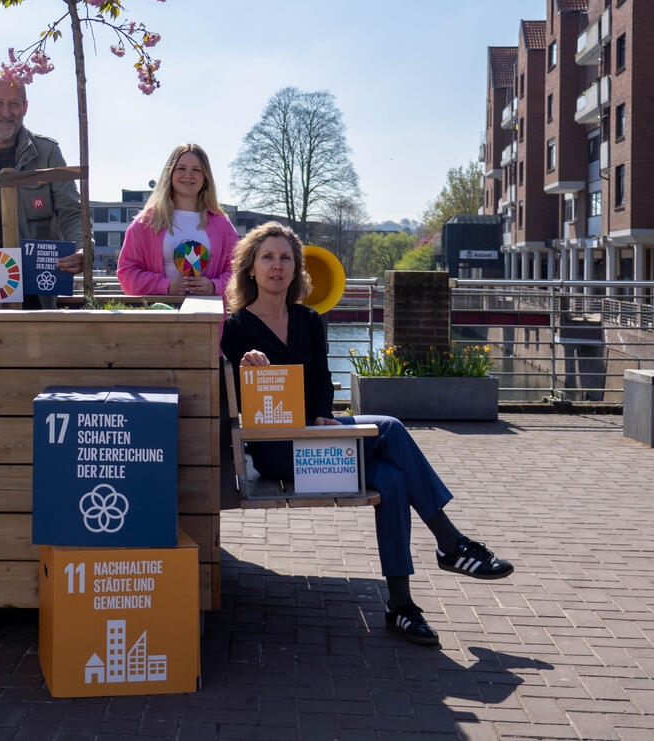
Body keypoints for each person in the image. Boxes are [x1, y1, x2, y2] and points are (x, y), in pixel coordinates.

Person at [219, 222, 514, 647]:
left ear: (296, 268)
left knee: (392, 479)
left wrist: (324, 415)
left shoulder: (308, 319)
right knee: (389, 427)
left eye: (285, 258)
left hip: (318, 439)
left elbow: (322, 381)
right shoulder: (236, 328)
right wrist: (246, 370)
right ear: (250, 268)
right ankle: (449, 542)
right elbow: (237, 406)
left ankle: (401, 607)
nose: (277, 266)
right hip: (277, 452)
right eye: (267, 257)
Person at [0, 70, 85, 307]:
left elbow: (72, 212)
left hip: (34, 280)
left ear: (25, 107)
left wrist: (82, 250)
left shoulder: (48, 153)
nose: (6, 112)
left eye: (14, 104)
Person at [116, 143, 237, 297]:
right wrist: (165, 286)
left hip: (208, 312)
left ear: (205, 177)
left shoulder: (222, 224)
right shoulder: (146, 223)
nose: (188, 175)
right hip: (160, 312)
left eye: (196, 170)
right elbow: (126, 273)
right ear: (170, 173)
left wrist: (214, 286)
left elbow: (240, 272)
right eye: (181, 168)